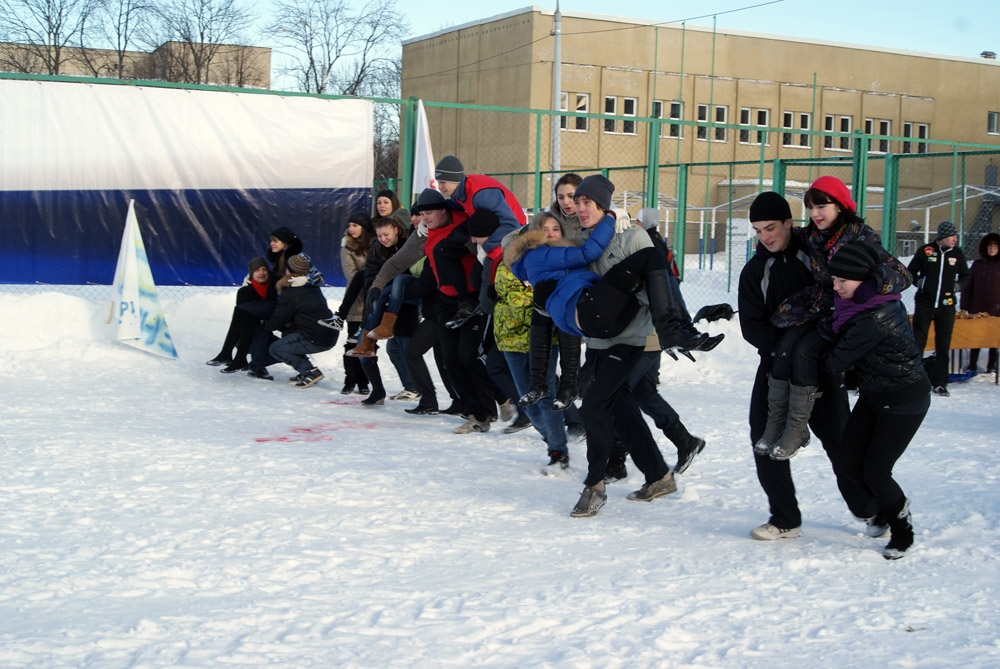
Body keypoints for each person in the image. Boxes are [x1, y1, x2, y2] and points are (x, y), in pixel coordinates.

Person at [508, 175, 718, 517]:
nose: (578, 207)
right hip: (602, 336)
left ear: (605, 206)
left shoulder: (630, 235)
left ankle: (595, 486)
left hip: (637, 335)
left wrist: (678, 324)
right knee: (620, 403)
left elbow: (660, 277)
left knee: (599, 404)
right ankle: (658, 475)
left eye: (586, 201)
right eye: (576, 202)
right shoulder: (578, 244)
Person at [738, 190, 889, 541]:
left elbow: (843, 298)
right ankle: (784, 517)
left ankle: (869, 509)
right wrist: (788, 350)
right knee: (764, 438)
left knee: (840, 442)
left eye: (771, 227)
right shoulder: (755, 271)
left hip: (820, 367)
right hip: (776, 368)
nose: (765, 237)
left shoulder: (816, 256)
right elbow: (753, 327)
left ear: (790, 222)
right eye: (758, 230)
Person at [759, 177, 912, 461]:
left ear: (840, 205)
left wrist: (873, 282)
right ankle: (776, 422)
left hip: (851, 312)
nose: (815, 214)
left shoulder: (860, 235)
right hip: (822, 303)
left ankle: (796, 427)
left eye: (822, 206)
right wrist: (764, 247)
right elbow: (783, 240)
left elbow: (902, 273)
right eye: (811, 208)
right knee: (781, 336)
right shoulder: (812, 236)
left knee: (804, 350)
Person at [824, 241, 930, 559]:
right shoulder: (859, 304)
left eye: (843, 281)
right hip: (875, 394)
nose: (836, 287)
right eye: (834, 280)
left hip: (904, 400)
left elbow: (834, 362)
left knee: (876, 471)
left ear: (863, 280)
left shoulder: (875, 316)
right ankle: (885, 509)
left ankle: (903, 530)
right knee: (848, 463)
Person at [493, 215, 571, 468]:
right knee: (527, 400)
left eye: (554, 229)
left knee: (545, 393)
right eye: (542, 229)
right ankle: (552, 439)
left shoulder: (564, 260)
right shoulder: (513, 259)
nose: (548, 234)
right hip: (511, 338)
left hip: (547, 338)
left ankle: (558, 450)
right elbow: (510, 293)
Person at [434, 155, 526, 328]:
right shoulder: (458, 193)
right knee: (443, 250)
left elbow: (511, 225)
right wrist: (426, 213)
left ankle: (487, 319)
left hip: (508, 234)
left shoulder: (481, 194)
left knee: (481, 279)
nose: (440, 187)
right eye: (438, 182)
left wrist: (486, 246)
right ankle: (466, 302)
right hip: (485, 231)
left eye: (444, 182)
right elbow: (454, 205)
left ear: (456, 179)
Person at [908, 221, 971, 396]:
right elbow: (911, 271)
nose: (955, 239)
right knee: (918, 342)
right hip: (925, 304)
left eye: (955, 235)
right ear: (942, 237)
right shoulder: (926, 251)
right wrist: (921, 283)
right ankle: (915, 381)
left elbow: (966, 275)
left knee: (943, 345)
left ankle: (940, 383)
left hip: (946, 306)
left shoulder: (957, 254)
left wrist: (957, 287)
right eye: (952, 236)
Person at [265, 254, 338, 388]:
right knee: (288, 334)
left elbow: (277, 319)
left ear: (289, 271)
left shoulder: (293, 293)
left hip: (317, 337)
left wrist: (264, 324)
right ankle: (305, 371)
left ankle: (310, 372)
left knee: (275, 349)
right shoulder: (311, 286)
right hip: (327, 332)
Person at [206, 257, 273, 369]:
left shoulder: (275, 286)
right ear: (251, 273)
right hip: (250, 330)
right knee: (243, 314)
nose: (261, 273)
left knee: (258, 331)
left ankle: (232, 355)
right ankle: (234, 356)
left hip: (270, 325)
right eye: (257, 270)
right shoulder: (245, 291)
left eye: (264, 269)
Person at [338, 211, 373, 395]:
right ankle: (350, 379)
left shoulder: (375, 244)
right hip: (356, 302)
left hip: (373, 301)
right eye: (350, 225)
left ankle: (364, 381)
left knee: (369, 344)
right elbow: (352, 277)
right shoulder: (347, 248)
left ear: (365, 228)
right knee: (352, 342)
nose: (351, 229)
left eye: (355, 225)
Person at [960, 232, 1000, 373]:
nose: (992, 248)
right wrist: (964, 306)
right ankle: (972, 364)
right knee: (975, 337)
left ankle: (992, 365)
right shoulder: (977, 265)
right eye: (990, 245)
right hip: (977, 307)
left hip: (996, 309)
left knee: (994, 338)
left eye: (995, 245)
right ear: (985, 247)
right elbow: (968, 287)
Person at [548, 173, 582, 240]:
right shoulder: (549, 219)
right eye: (561, 197)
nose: (565, 202)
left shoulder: (594, 219)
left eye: (571, 196)